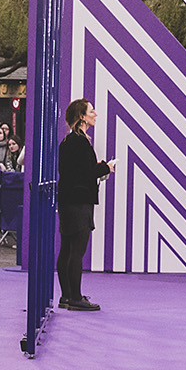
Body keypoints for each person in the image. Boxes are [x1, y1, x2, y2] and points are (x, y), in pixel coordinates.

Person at [55, 99, 112, 311]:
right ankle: (76, 298)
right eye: (91, 111)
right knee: (76, 251)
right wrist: (105, 168)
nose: (95, 114)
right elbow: (85, 173)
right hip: (79, 202)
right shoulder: (80, 143)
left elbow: (74, 171)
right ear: (82, 117)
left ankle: (67, 296)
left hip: (68, 201)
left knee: (67, 249)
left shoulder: (68, 142)